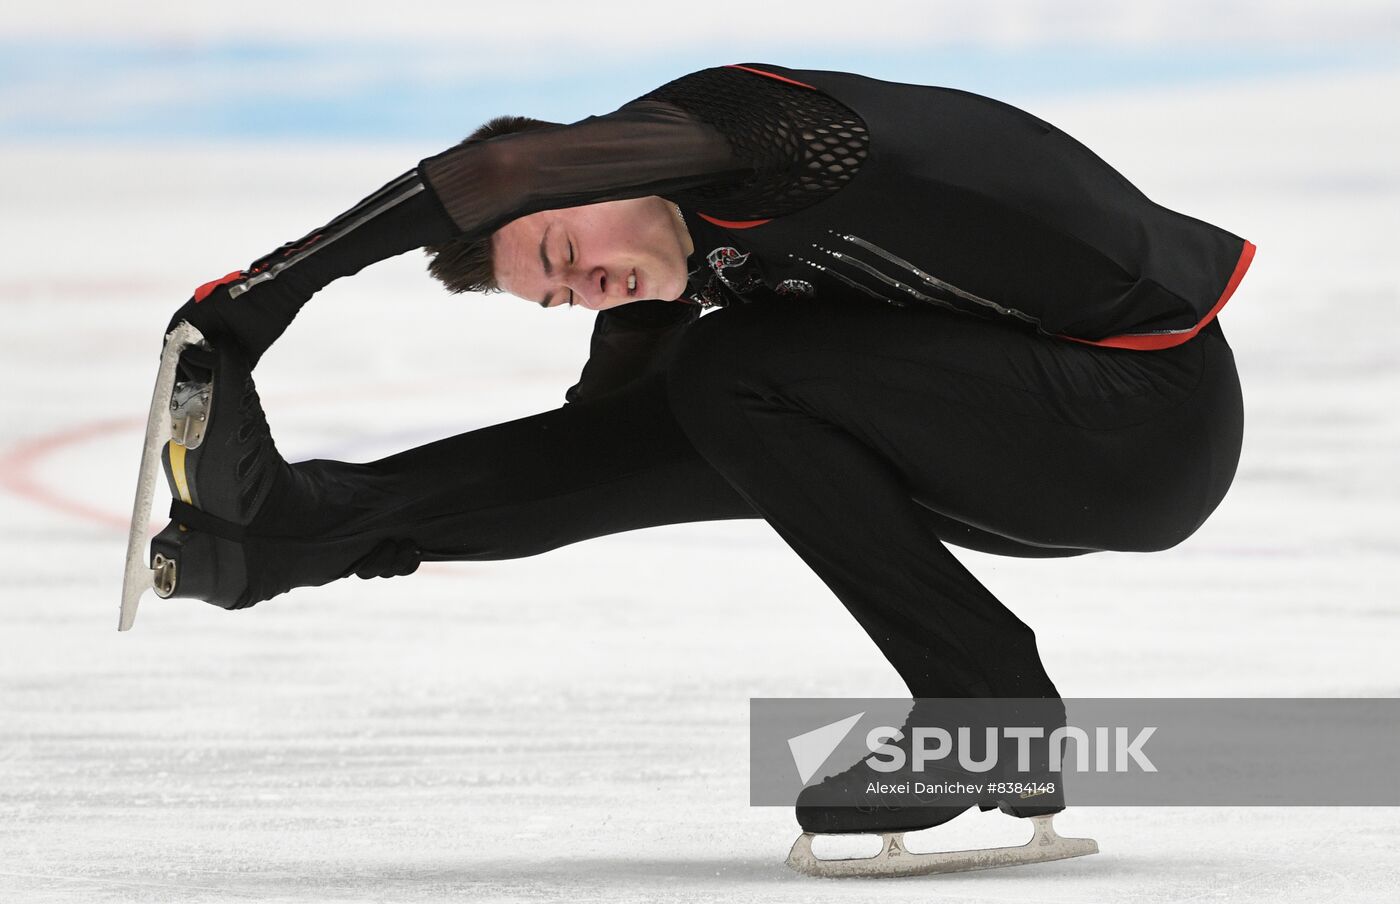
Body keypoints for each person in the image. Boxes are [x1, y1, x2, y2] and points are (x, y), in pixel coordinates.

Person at [152, 63, 1252, 836]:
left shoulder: (752, 140)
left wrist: (261, 300)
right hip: (1038, 439)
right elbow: (593, 455)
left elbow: (494, 177)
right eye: (558, 293)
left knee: (730, 375)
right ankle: (288, 533)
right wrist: (381, 530)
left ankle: (987, 709)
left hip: (1145, 410)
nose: (585, 283)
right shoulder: (668, 255)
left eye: (563, 248)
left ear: (575, 174)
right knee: (692, 407)